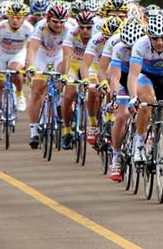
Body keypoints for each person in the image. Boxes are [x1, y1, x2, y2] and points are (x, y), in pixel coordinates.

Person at [127, 14, 163, 178]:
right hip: (146, 77)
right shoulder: (140, 45)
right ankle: (139, 143)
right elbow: (133, 75)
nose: (159, 42)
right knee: (146, 102)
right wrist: (133, 98)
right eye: (155, 38)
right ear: (148, 36)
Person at [0, 2, 33, 139]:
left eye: (18, 17)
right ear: (8, 17)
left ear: (23, 18)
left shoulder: (29, 29)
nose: (15, 20)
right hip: (1, 53)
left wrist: (29, 65)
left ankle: (19, 93)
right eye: (12, 17)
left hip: (18, 53)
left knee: (15, 69)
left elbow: (31, 49)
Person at [26, 4, 71, 149]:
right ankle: (34, 131)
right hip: (42, 56)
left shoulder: (68, 29)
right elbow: (32, 49)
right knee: (37, 90)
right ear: (48, 19)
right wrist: (31, 67)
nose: (58, 25)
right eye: (55, 21)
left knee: (62, 76)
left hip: (58, 55)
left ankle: (57, 103)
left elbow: (67, 55)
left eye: (61, 22)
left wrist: (64, 75)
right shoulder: (40, 27)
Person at [108, 17, 145, 182]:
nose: (131, 52)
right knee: (122, 115)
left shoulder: (145, 47)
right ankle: (116, 157)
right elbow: (115, 77)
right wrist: (115, 97)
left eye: (133, 48)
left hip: (141, 80)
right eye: (128, 48)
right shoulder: (118, 48)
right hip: (123, 81)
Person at [79, 16, 123, 145]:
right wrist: (86, 81)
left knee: (113, 85)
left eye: (112, 37)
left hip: (112, 66)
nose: (109, 40)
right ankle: (92, 122)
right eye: (106, 37)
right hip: (96, 66)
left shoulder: (123, 41)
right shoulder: (96, 40)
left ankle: (110, 117)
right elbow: (85, 64)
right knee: (93, 91)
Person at [60, 11, 95, 149]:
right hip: (74, 66)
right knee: (68, 95)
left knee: (95, 93)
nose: (85, 30)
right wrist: (64, 75)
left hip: (91, 67)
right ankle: (67, 130)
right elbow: (67, 57)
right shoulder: (72, 34)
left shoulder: (97, 35)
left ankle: (94, 123)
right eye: (82, 27)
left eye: (88, 27)